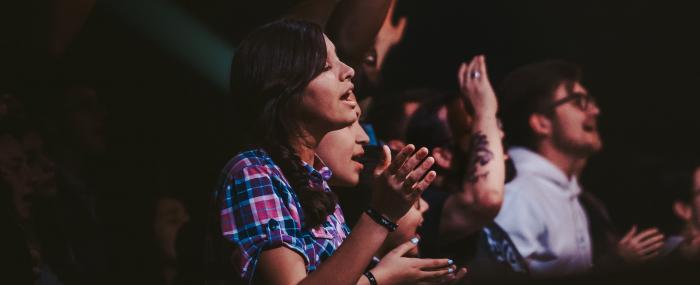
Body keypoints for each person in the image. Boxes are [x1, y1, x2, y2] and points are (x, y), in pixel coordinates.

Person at [211, 19, 455, 285]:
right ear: (285, 88)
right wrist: (381, 217)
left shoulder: (320, 188)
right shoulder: (254, 172)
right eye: (326, 66)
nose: (348, 70)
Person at [494, 60, 664, 277]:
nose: (595, 110)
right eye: (579, 102)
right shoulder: (519, 195)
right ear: (541, 123)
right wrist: (615, 264)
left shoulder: (571, 194)